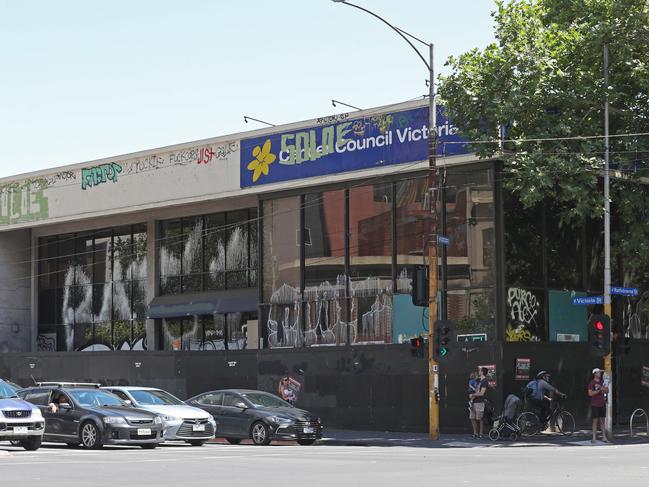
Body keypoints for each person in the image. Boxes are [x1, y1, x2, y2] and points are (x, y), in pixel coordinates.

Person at [588, 368, 610, 443]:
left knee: (602, 421)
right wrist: (598, 391)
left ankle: (604, 437)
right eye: (598, 372)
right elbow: (590, 393)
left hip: (602, 404)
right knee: (595, 421)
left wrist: (601, 387)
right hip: (595, 404)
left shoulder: (602, 382)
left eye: (600, 372)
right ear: (595, 374)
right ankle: (594, 438)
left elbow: (607, 390)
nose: (600, 374)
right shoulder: (592, 383)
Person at [468, 367, 490, 438]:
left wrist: (473, 395)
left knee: (480, 418)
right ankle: (475, 433)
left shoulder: (485, 381)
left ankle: (481, 433)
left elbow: (482, 393)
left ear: (482, 372)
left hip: (480, 402)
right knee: (472, 417)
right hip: (473, 401)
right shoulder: (478, 380)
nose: (478, 372)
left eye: (479, 371)